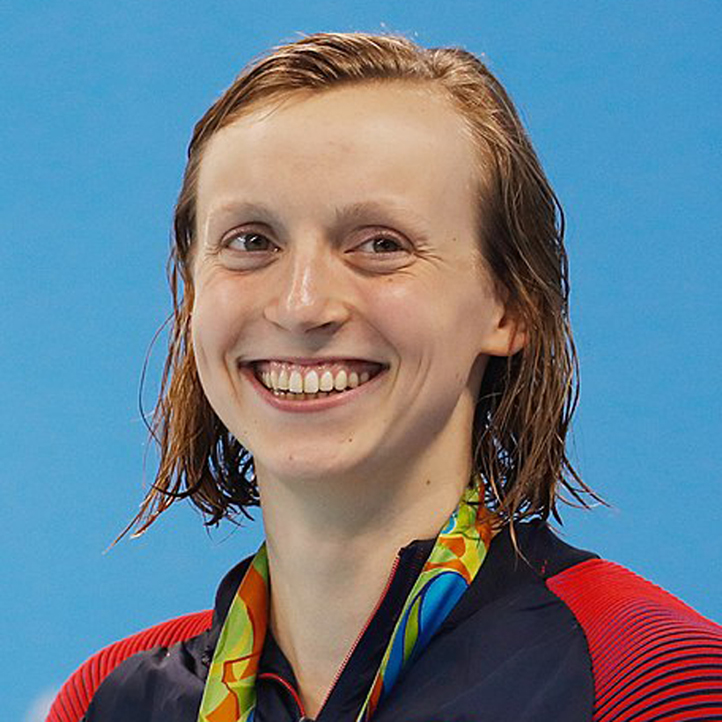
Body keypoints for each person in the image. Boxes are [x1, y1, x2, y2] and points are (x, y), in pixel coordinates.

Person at [48, 31, 722, 722]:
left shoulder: (652, 678)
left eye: (380, 245)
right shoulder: (109, 699)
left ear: (511, 304)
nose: (302, 304)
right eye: (252, 242)